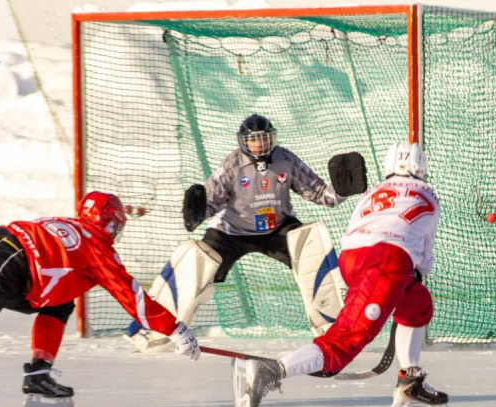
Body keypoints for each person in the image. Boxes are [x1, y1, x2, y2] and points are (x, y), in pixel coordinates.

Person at [233, 141, 449, 407]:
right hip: (385, 263)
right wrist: (414, 269)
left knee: (418, 303)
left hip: (352, 258)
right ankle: (271, 370)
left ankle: (410, 381)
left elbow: (355, 230)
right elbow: (425, 253)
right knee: (345, 342)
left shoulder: (374, 192)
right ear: (422, 167)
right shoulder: (428, 194)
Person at [0, 191, 201, 407]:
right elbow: (131, 296)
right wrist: (174, 328)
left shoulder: (69, 226)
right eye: (115, 227)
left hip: (6, 263)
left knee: (60, 302)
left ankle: (38, 373)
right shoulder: (96, 245)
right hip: (4, 263)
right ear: (109, 224)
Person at [124, 113, 357, 348]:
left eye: (264, 139)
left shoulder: (285, 159)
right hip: (232, 232)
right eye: (253, 140)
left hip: (277, 228)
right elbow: (212, 201)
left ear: (272, 139)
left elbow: (318, 193)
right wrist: (197, 211)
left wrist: (341, 190)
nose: (259, 145)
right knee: (193, 260)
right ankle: (150, 329)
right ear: (243, 142)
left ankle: (336, 327)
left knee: (312, 247)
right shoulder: (232, 164)